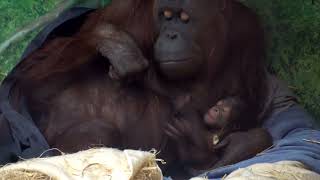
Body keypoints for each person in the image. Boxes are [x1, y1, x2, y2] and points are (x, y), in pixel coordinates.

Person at [0, 6, 319, 179]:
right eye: (165, 19)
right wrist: (108, 39)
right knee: (94, 134)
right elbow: (46, 65)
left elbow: (264, 112)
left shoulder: (237, 41)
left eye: (183, 21)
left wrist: (209, 151)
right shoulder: (129, 14)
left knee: (260, 138)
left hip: (180, 153)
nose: (171, 33)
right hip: (80, 135)